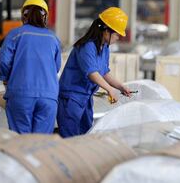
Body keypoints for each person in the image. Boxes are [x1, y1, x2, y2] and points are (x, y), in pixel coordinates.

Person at [57, 7, 133, 138]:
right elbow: (92, 72)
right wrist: (109, 89)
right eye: (116, 34)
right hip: (72, 99)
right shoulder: (87, 46)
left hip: (85, 98)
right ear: (105, 30)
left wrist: (121, 87)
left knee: (86, 135)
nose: (118, 38)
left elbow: (104, 72)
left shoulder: (104, 48)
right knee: (70, 138)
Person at [0, 0, 61, 134]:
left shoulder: (15, 34)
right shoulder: (53, 38)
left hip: (21, 94)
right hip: (48, 96)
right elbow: (56, 67)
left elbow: (4, 61)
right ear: (45, 17)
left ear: (23, 15)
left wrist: (6, 78)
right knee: (41, 143)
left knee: (21, 141)